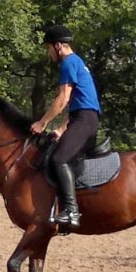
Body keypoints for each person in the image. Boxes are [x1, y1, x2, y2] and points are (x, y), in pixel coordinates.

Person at [30, 24, 101, 228]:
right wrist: (61, 129)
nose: (48, 53)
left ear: (58, 46)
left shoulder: (68, 63)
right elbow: (78, 105)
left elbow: (62, 100)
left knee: (59, 159)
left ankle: (71, 211)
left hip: (85, 120)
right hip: (82, 118)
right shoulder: (77, 62)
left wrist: (42, 122)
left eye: (48, 48)